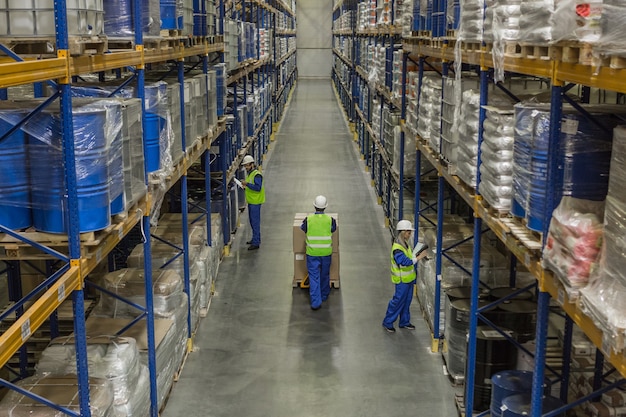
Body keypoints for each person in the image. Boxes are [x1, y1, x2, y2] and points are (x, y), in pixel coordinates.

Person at [382, 220, 427, 333]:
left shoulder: (405, 244)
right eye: (408, 232)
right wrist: (418, 257)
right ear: (402, 232)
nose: (410, 234)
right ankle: (388, 322)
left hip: (409, 279)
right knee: (397, 301)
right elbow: (404, 261)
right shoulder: (397, 248)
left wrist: (415, 253)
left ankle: (404, 322)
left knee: (407, 302)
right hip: (402, 280)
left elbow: (408, 256)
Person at [301, 195, 337, 310]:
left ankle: (316, 302)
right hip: (326, 253)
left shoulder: (309, 219)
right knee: (325, 274)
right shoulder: (330, 220)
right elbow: (333, 229)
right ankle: (324, 294)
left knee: (314, 277)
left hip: (312, 253)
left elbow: (303, 228)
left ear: (314, 206)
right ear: (325, 207)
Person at [241, 155, 265, 250]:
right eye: (245, 166)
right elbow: (251, 186)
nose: (246, 167)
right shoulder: (250, 174)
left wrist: (247, 184)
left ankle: (256, 242)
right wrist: (245, 187)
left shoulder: (257, 175)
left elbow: (258, 188)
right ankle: (255, 239)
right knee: (252, 221)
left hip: (256, 202)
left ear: (252, 164)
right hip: (251, 201)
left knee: (255, 222)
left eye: (247, 165)